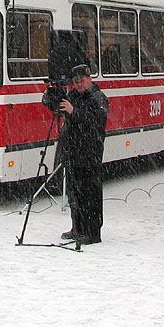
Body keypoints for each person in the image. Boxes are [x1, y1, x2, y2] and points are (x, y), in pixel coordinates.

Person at [42, 64, 109, 246]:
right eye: (76, 82)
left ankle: (93, 232)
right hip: (72, 150)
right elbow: (56, 108)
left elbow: (95, 121)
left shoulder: (98, 98)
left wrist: (74, 111)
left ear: (90, 79)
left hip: (90, 152)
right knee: (74, 192)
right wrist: (50, 96)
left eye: (81, 81)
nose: (79, 85)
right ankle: (77, 228)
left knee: (90, 194)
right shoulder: (73, 96)